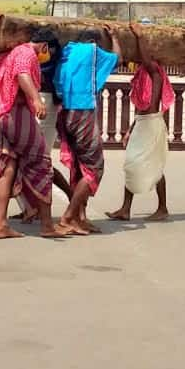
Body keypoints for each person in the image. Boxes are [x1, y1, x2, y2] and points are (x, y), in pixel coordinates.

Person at [0, 25, 71, 239]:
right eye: (48, 51)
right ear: (43, 46)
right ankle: (47, 225)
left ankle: (1, 225)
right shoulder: (26, 53)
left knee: (7, 167)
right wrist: (36, 98)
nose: (47, 56)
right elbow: (23, 75)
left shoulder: (9, 53)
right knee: (42, 163)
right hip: (16, 114)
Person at [54, 26, 120, 235]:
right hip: (83, 111)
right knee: (93, 168)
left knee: (78, 165)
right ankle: (68, 216)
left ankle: (81, 218)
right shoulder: (91, 50)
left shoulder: (67, 51)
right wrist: (115, 37)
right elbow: (117, 59)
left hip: (65, 112)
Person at [107, 23, 172, 222]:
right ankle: (125, 209)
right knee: (132, 165)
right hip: (143, 123)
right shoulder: (144, 74)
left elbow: (145, 59)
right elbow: (140, 111)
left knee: (150, 167)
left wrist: (139, 36)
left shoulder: (155, 72)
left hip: (151, 124)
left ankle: (162, 208)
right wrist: (130, 130)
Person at [20, 27, 72, 222]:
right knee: (31, 161)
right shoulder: (45, 59)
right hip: (41, 102)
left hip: (44, 102)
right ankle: (30, 206)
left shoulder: (47, 63)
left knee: (38, 161)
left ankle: (65, 199)